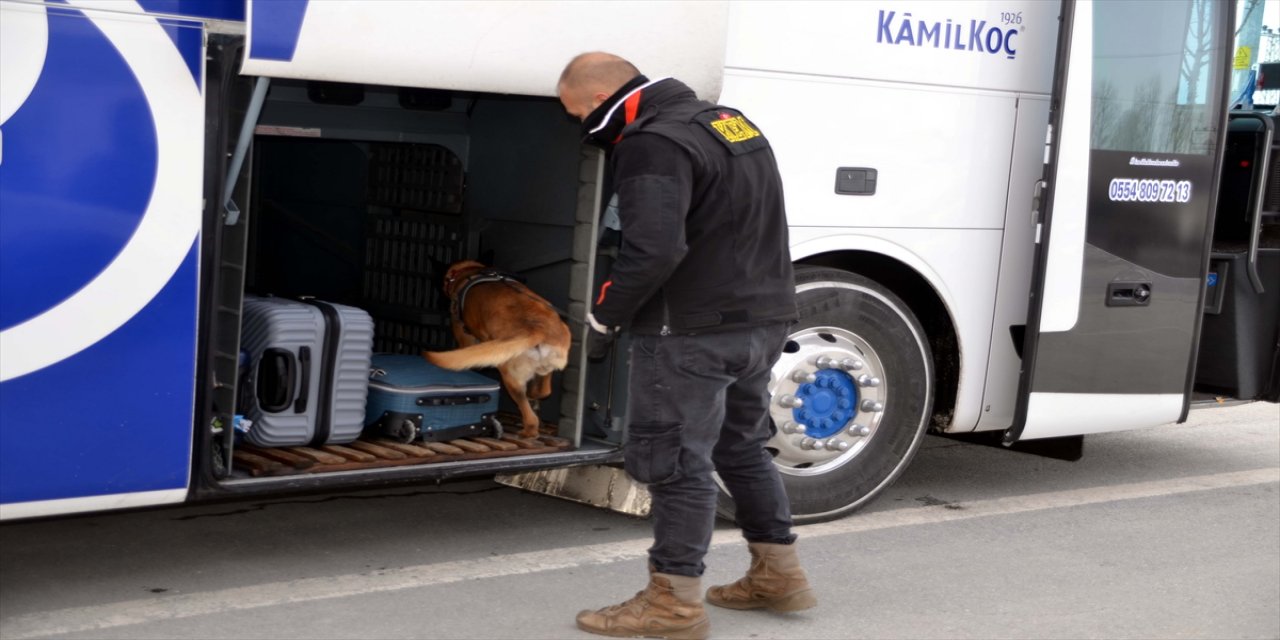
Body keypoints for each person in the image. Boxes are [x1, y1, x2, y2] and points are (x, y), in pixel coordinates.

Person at [558, 52, 817, 640]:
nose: (584, 129)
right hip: (762, 319)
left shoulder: (652, 142)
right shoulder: (730, 122)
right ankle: (779, 574)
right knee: (742, 448)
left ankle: (671, 605)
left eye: (579, 115)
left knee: (675, 463)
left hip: (689, 330)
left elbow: (652, 250)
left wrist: (605, 317)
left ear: (602, 100)